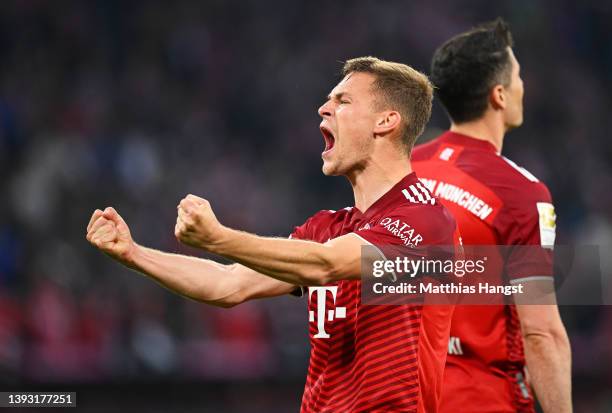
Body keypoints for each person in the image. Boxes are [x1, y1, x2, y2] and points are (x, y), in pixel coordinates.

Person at [86, 57, 461, 413]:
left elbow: (326, 265)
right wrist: (135, 253)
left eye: (342, 101)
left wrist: (218, 238)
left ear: (386, 121)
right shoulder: (327, 227)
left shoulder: (426, 221)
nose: (323, 109)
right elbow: (228, 284)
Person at [412, 19, 572, 413]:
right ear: (499, 95)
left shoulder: (402, 170)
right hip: (483, 397)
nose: (524, 85)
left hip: (401, 394)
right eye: (518, 75)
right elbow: (541, 334)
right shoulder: (521, 193)